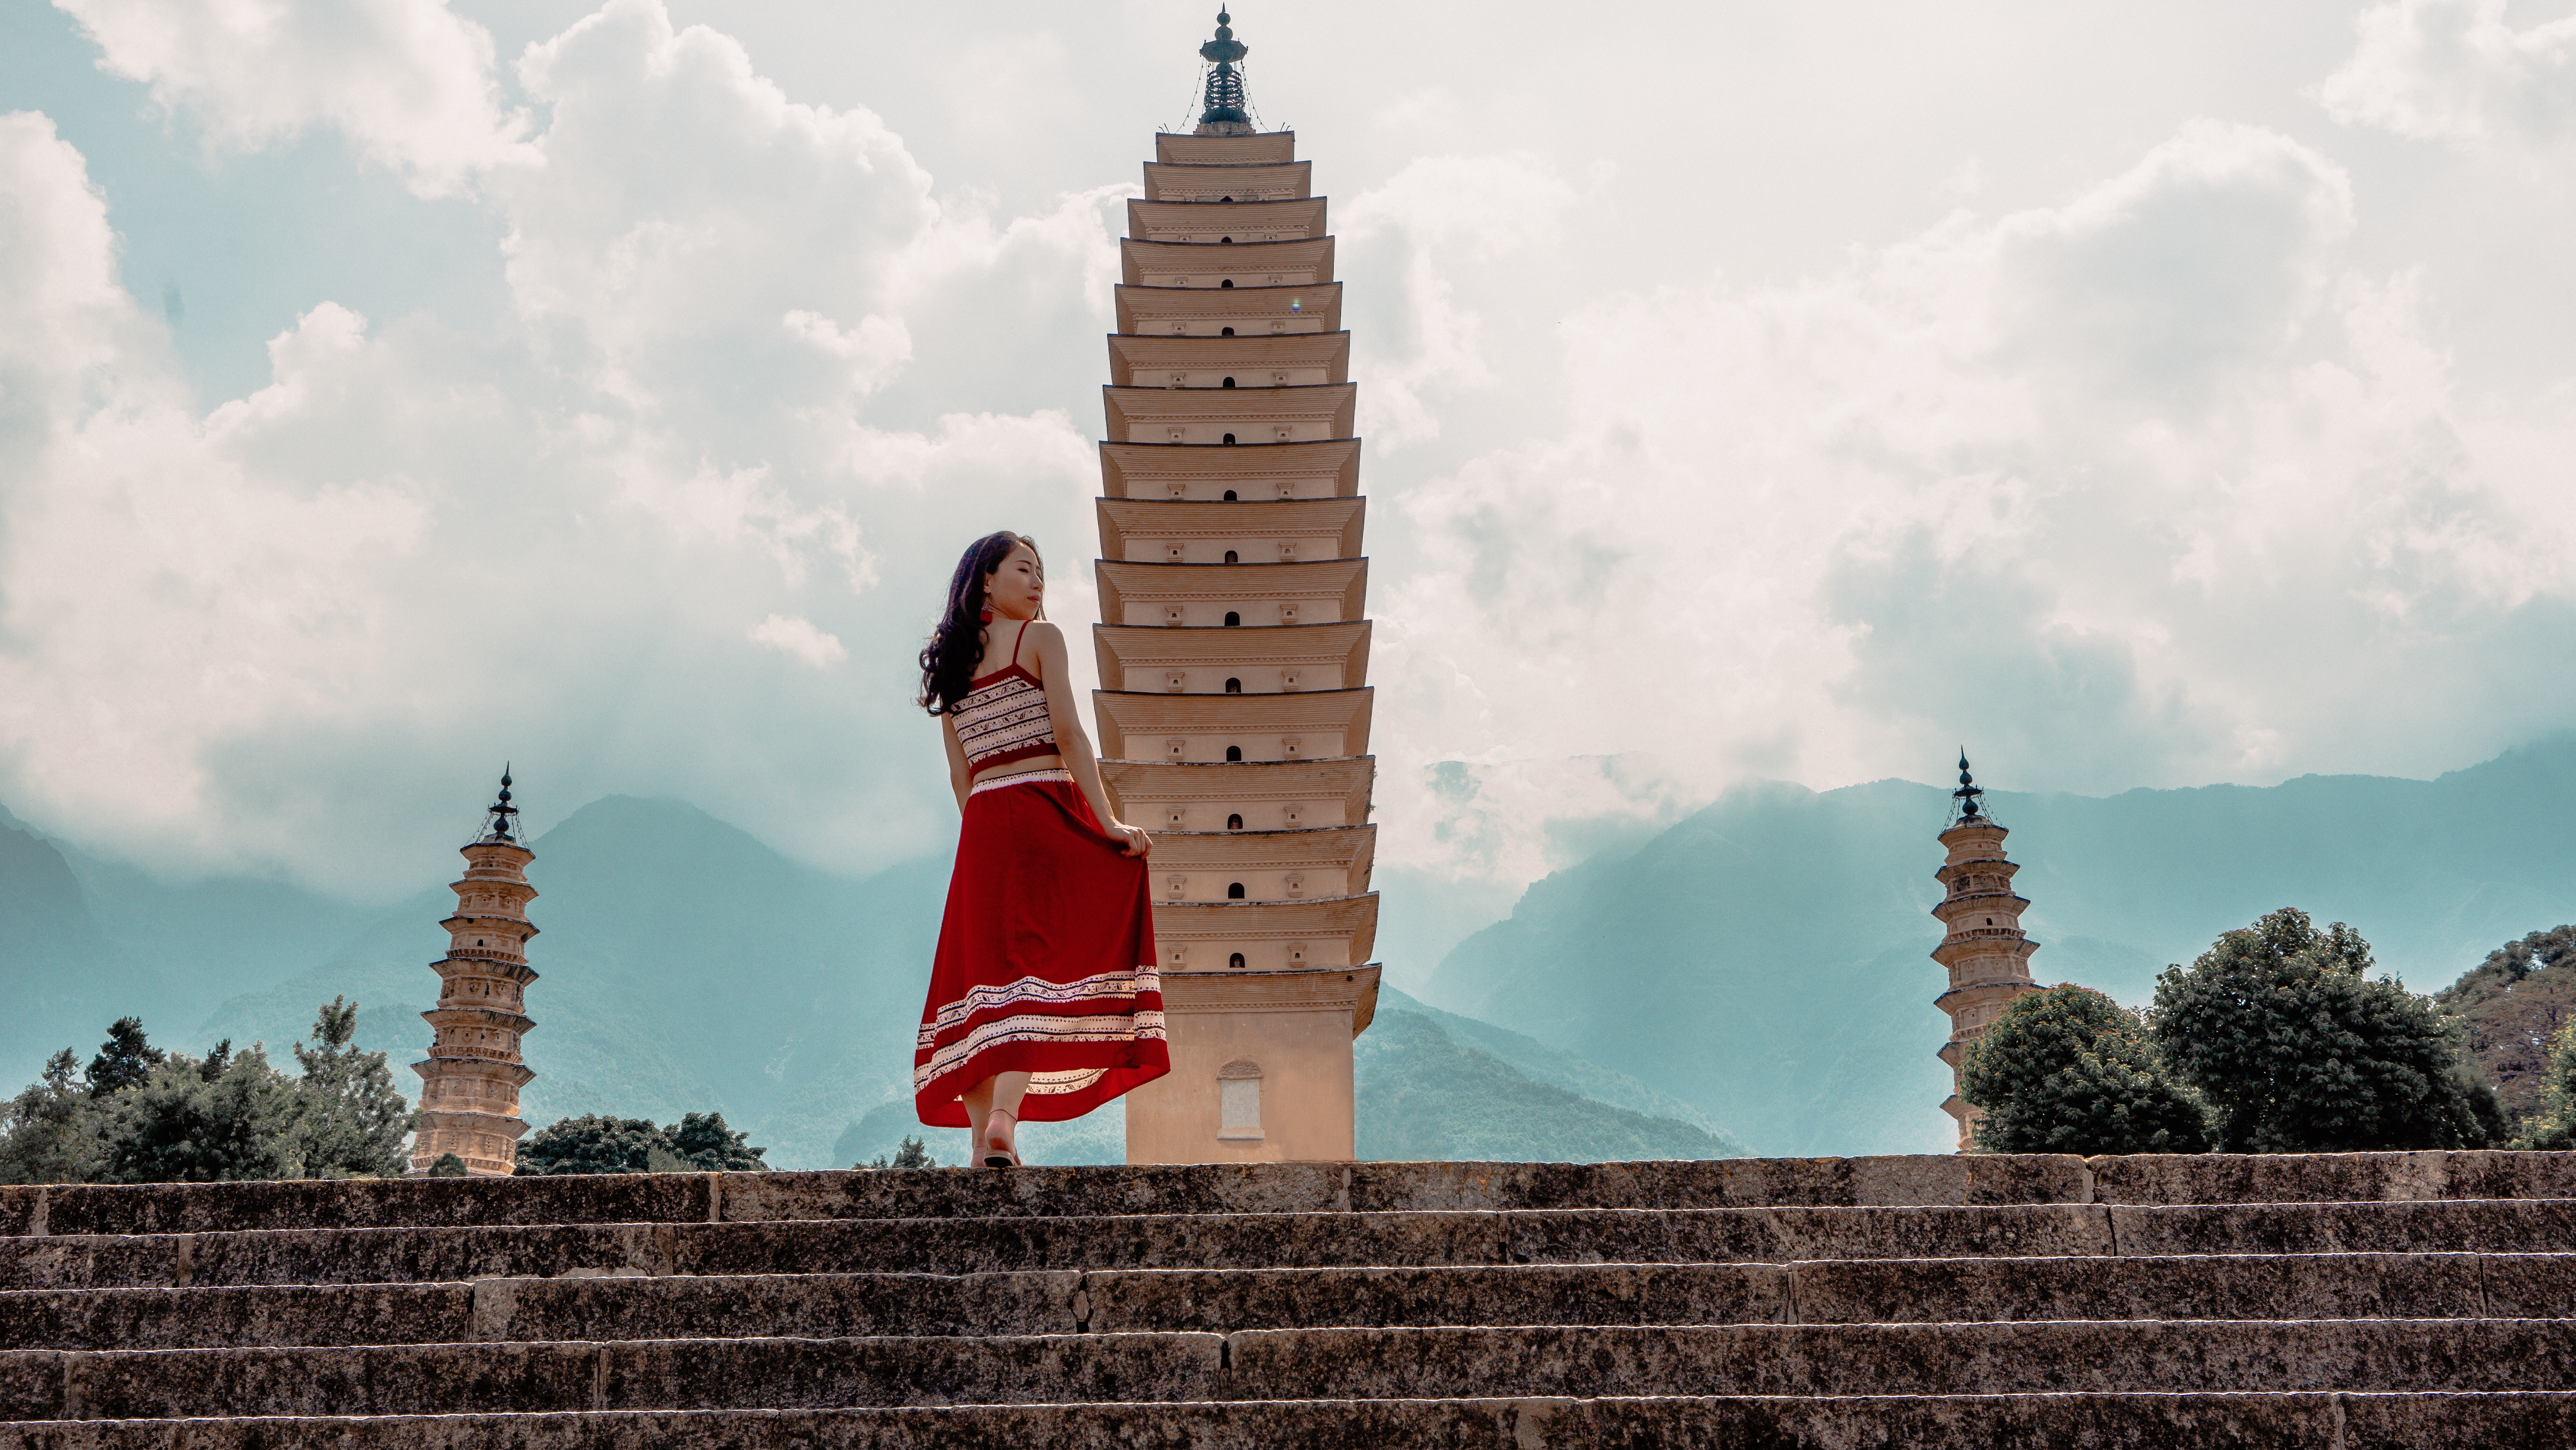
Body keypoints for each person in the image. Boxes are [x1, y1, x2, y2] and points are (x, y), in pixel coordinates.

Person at [911, 530, 1167, 1167]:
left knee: (979, 978)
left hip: (983, 823)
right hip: (1045, 804)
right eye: (1024, 569)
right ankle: (1004, 1116)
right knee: (1040, 968)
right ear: (987, 581)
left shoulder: (949, 666)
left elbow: (959, 775)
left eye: (1041, 572)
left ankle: (980, 1145)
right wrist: (1107, 822)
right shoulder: (1041, 640)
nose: (1037, 582)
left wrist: (983, 839)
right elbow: (1071, 736)